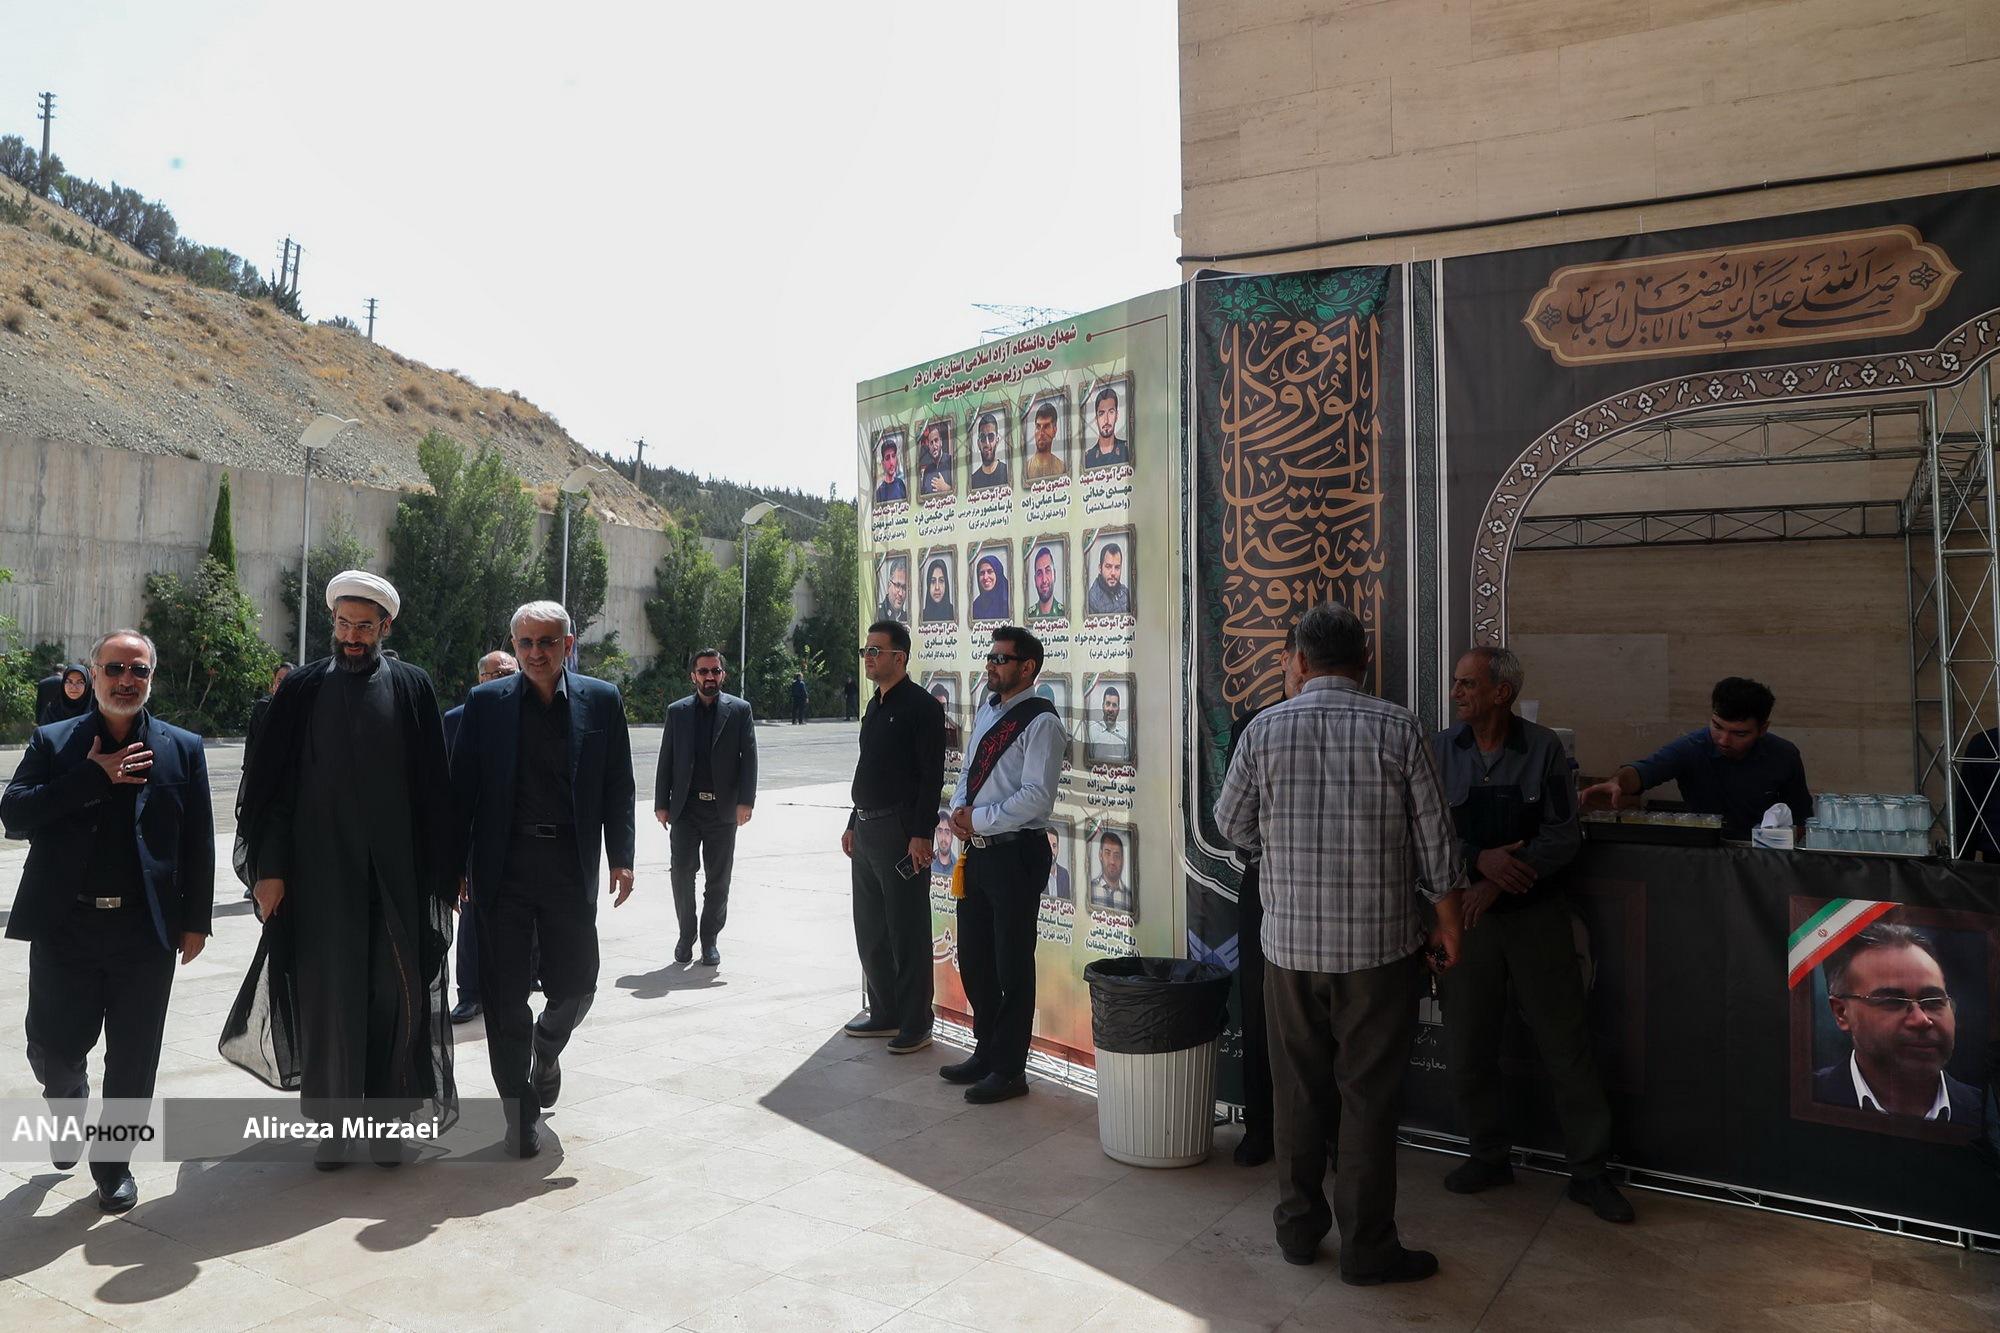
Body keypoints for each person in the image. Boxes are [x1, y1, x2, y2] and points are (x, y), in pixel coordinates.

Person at [1214, 602, 1465, 1282]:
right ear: (1365, 662)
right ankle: (1368, 1248)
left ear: (1299, 660)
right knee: (1368, 1098)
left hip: (1289, 949)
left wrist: (1281, 844)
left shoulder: (1264, 729)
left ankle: (1298, 1232)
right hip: (1379, 952)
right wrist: (1449, 924)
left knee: (1297, 1093)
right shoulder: (1399, 726)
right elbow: (1437, 844)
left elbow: (1230, 824)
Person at [228, 571, 458, 1170]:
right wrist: (270, 870)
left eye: (364, 627)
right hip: (320, 880)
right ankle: (334, 1126)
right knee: (328, 1000)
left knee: (393, 995)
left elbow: (435, 788)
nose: (352, 637)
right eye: (343, 624)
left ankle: (385, 1125)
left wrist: (447, 870)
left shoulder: (412, 687)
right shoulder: (302, 690)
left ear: (386, 627)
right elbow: (272, 791)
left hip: (397, 879)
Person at [2, 629, 213, 1212]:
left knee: (134, 1057)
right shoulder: (54, 741)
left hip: (144, 932)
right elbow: (14, 813)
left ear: (151, 677)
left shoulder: (182, 748)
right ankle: (67, 1105)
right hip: (65, 927)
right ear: (92, 674)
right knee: (54, 1048)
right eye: (114, 668)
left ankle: (113, 1164)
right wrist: (94, 776)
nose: (126, 680)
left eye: (138, 670)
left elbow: (198, 840)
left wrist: (195, 920)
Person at [1431, 647, 1633, 1224]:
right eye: (1456, 683)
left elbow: (1563, 836)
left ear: (1503, 692)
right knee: (1468, 1042)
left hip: (1536, 917)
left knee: (1565, 1044)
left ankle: (1589, 1172)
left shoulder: (1544, 749)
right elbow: (1427, 831)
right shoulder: (1441, 750)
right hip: (1466, 920)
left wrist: (1497, 882)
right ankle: (1487, 1155)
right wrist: (1479, 858)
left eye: (1468, 684)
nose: (1456, 693)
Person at [451, 602, 635, 1157]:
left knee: (577, 985)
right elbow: (462, 790)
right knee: (504, 996)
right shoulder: (485, 704)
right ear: (515, 644)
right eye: (526, 642)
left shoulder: (602, 700)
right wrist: (454, 866)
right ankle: (519, 1111)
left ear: (568, 645)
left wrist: (621, 857)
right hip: (502, 868)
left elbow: (618, 784)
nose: (536, 653)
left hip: (567, 866)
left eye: (547, 642)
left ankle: (547, 1049)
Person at [944, 625, 1063, 1105]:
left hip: (1016, 852)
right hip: (978, 852)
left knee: (1011, 964)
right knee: (975, 960)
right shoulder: (988, 709)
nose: (991, 665)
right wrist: (959, 811)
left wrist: (979, 819)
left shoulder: (1042, 722)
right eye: (990, 657)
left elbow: (1036, 797)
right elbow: (968, 773)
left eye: (1001, 659)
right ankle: (986, 1050)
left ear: (1027, 667)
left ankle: (1011, 1068)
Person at [841, 620, 947, 1053]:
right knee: (871, 928)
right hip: (867, 829)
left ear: (899, 657)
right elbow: (868, 768)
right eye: (866, 650)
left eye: (876, 650)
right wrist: (853, 821)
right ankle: (884, 1012)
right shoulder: (874, 705)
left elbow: (931, 777)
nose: (868, 657)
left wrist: (921, 834)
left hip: (900, 831)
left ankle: (916, 1022)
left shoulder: (923, 707)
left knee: (907, 929)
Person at [1580, 676, 1810, 838]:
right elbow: (1645, 770)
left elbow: (1801, 820)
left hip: (1766, 854)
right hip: (1705, 852)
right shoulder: (1693, 746)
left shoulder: (1784, 755)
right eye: (1717, 726)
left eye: (1739, 734)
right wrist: (1617, 782)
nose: (1724, 740)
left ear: (1762, 729)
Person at [1813, 923, 1979, 1123]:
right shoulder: (1802, 1097)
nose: (1921, 1020)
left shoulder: (1985, 1113)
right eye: (1892, 1002)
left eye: (1934, 1001)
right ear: (1841, 1012)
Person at [655, 649, 758, 966]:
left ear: (723, 675)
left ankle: (710, 938)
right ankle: (686, 935)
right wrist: (661, 803)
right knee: (681, 874)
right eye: (703, 671)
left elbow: (749, 759)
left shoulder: (739, 711)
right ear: (693, 676)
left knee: (719, 878)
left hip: (722, 810)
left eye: (715, 671)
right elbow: (666, 758)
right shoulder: (677, 712)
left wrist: (745, 801)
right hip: (685, 809)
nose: (709, 677)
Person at [442, 649, 519, 1025]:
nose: (504, 678)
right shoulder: (457, 719)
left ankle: (523, 977)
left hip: (523, 831)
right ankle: (470, 993)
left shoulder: (533, 711)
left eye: (510, 672)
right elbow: (450, 785)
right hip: (478, 835)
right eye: (495, 674)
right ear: (480, 680)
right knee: (472, 914)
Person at [245, 661, 293, 752]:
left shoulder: (301, 708)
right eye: (279, 681)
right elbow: (251, 740)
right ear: (274, 682)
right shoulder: (262, 706)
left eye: (288, 680)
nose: (283, 685)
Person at [1082, 387, 1131, 469]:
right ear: (1096, 419)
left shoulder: (1127, 450)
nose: (1106, 420)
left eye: (1111, 412)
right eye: (1101, 414)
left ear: (1116, 416)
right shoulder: (1088, 459)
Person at [1088, 830, 1133, 913]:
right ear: (1100, 855)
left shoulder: (1130, 898)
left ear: (1122, 860)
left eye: (1116, 855)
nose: (1112, 861)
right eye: (1107, 853)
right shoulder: (1089, 890)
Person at [1085, 685, 1130, 764]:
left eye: (1114, 705)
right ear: (1103, 706)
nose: (1110, 709)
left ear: (1118, 709)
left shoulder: (1125, 735)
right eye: (1108, 704)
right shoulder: (1091, 732)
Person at [1086, 541, 1132, 615]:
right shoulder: (1092, 600)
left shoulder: (1125, 592)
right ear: (1100, 568)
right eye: (1108, 567)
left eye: (1117, 567)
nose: (1113, 573)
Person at [1023, 402, 1064, 481]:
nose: (1041, 433)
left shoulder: (1062, 468)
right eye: (1038, 427)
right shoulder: (1025, 470)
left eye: (1046, 427)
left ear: (1054, 430)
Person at [969, 413, 1011, 490]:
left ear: (997, 440)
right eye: (983, 437)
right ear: (978, 443)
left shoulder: (1008, 473)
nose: (987, 443)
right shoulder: (972, 482)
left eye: (991, 437)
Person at [1027, 546, 1065, 620]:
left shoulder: (1064, 613)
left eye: (1047, 571)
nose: (1044, 580)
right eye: (1039, 573)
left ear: (1054, 575)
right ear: (1035, 580)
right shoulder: (1029, 615)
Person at [970, 553, 1011, 621]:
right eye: (982, 573)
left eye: (990, 571)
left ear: (998, 573)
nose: (985, 577)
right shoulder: (976, 606)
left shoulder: (1010, 600)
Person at [917, 422, 953, 496]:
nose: (934, 445)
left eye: (936, 441)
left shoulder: (951, 462)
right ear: (929, 446)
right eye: (931, 443)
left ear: (941, 442)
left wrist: (946, 488)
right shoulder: (927, 471)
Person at [920, 558, 956, 623]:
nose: (937, 587)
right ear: (928, 584)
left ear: (946, 584)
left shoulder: (954, 613)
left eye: (941, 581)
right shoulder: (922, 616)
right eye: (933, 581)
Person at [877, 559, 911, 625]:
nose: (901, 593)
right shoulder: (877, 614)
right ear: (888, 585)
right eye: (897, 586)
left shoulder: (908, 619)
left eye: (904, 587)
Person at [1044, 828, 1072, 900]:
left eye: (1054, 846)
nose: (1051, 850)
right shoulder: (1035, 873)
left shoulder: (1064, 874)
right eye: (1048, 845)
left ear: (1058, 848)